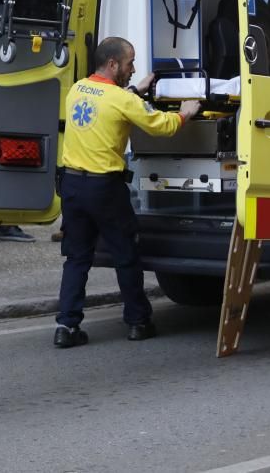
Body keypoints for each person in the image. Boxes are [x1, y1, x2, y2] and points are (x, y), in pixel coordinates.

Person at [54, 37, 201, 348]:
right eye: (129, 63)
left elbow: (112, 103)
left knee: (77, 257)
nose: (133, 69)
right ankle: (138, 322)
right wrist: (186, 112)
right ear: (112, 64)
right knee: (126, 254)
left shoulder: (78, 89)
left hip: (71, 185)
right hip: (104, 188)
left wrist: (137, 90)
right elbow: (162, 126)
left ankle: (66, 327)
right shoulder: (123, 100)